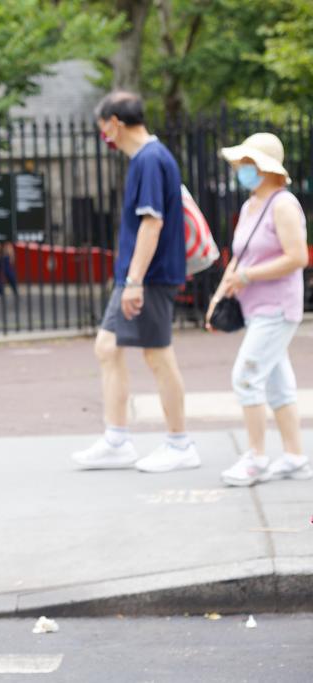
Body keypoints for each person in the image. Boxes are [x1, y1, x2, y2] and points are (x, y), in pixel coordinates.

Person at [72, 91, 200, 473]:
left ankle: (180, 443)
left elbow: (152, 221)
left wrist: (134, 281)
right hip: (142, 275)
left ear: (114, 122)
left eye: (102, 127)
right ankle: (117, 439)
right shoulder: (151, 157)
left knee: (157, 355)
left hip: (148, 276)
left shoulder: (148, 159)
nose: (103, 134)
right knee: (108, 347)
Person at [209, 133, 311, 486]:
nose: (240, 170)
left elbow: (297, 257)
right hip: (256, 307)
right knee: (277, 383)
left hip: (277, 307)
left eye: (246, 164)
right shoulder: (253, 205)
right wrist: (220, 293)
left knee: (247, 377)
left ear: (264, 168)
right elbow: (240, 255)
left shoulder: (284, 205)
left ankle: (256, 457)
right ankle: (295, 457)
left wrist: (248, 276)